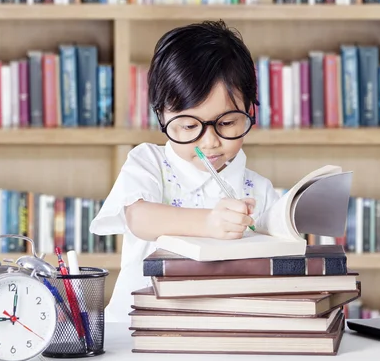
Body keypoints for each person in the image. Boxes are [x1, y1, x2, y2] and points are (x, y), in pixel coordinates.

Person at [89, 20, 280, 323]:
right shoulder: (148, 162)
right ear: (161, 115)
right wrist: (209, 222)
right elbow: (139, 217)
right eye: (190, 126)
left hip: (221, 334)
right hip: (137, 330)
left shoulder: (259, 190)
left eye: (228, 122)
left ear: (250, 110)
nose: (210, 142)